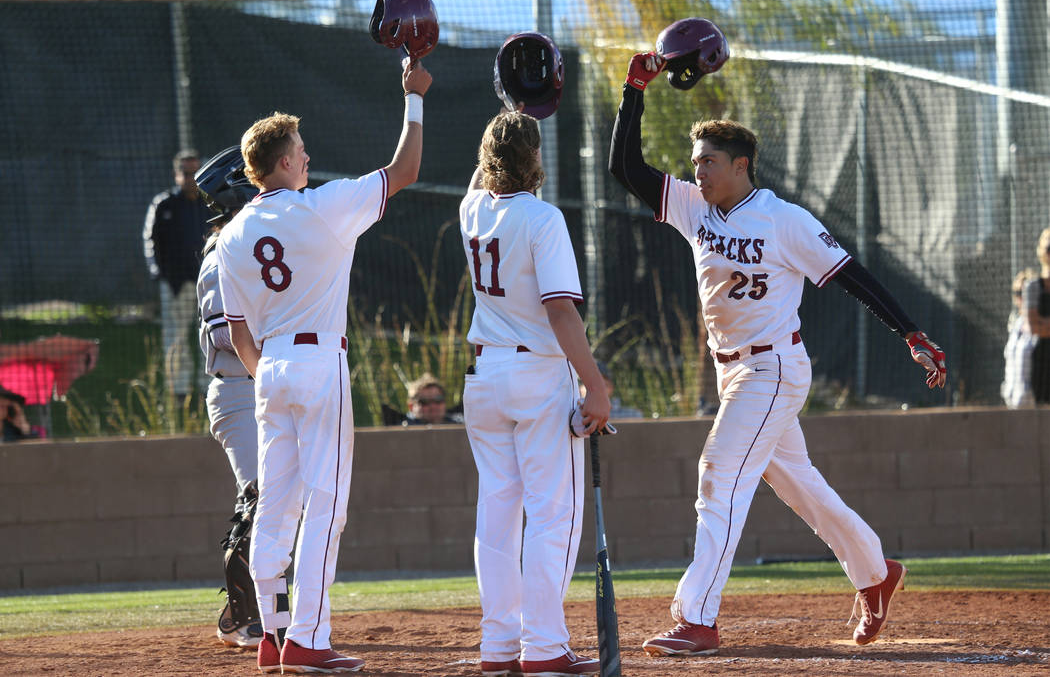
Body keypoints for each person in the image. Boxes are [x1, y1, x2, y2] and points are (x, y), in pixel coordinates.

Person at [608, 49, 947, 657]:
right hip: (733, 371)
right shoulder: (693, 207)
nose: (698, 172)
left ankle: (697, 618)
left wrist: (911, 332)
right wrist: (635, 89)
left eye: (708, 163)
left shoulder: (782, 219)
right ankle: (875, 571)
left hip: (772, 369)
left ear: (742, 166)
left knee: (718, 476)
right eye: (694, 163)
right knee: (802, 487)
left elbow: (851, 274)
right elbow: (624, 167)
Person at [216, 57, 432, 674]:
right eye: (301, 151)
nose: (307, 159)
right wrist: (414, 98)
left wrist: (266, 375)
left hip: (270, 367)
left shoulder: (231, 235)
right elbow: (406, 170)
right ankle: (308, 641)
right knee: (327, 505)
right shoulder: (319, 207)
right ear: (283, 162)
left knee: (277, 506)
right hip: (316, 360)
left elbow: (236, 329)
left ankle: (270, 635)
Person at [460, 111, 611, 677]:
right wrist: (593, 384)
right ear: (535, 157)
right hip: (537, 375)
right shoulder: (543, 218)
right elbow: (560, 309)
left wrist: (506, 109)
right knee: (553, 514)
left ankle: (499, 646)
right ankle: (544, 647)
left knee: (497, 513)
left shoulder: (471, 208)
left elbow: (482, 178)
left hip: (485, 377)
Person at [194, 146, 264, 649]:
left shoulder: (255, 244)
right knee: (259, 495)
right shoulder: (222, 254)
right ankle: (243, 617)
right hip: (239, 389)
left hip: (264, 385)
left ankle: (245, 610)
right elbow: (226, 336)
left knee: (287, 498)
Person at [143, 149, 212, 398]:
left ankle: (209, 389)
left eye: (195, 172)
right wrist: (159, 273)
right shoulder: (164, 205)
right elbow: (151, 240)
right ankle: (179, 393)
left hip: (208, 284)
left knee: (211, 335)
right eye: (186, 173)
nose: (191, 178)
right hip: (176, 284)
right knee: (176, 338)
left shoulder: (211, 203)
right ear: (176, 175)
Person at [1003, 267, 1037, 408]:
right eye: (1017, 293)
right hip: (1013, 404)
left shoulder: (1041, 325)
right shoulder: (1016, 325)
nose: (1020, 298)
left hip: (1035, 404)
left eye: (1024, 293)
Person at [1024, 228, 1050, 404]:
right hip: (1040, 359)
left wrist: (1044, 322)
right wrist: (1039, 324)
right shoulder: (1032, 286)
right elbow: (1033, 327)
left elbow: (1038, 323)